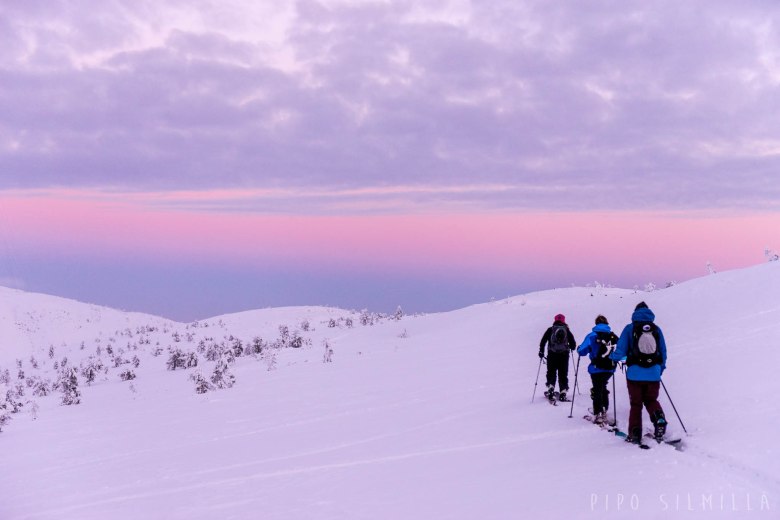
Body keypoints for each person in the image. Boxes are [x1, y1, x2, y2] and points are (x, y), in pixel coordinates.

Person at [611, 302, 668, 443]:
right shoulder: (656, 329)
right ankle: (659, 419)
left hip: (634, 374)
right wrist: (660, 369)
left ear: (635, 313)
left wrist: (613, 358)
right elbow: (663, 351)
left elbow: (620, 350)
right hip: (653, 373)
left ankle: (635, 433)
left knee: (636, 404)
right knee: (651, 400)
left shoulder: (629, 328)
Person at [577, 315, 619, 425]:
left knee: (597, 388)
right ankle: (604, 409)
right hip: (609, 368)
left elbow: (582, 351)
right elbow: (619, 350)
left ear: (596, 323)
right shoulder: (612, 336)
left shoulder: (592, 336)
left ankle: (598, 413)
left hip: (596, 368)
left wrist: (579, 348)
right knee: (602, 386)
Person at [538, 313, 576, 402]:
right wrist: (570, 347)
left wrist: (541, 351)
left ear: (555, 320)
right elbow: (573, 345)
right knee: (563, 373)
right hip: (564, 355)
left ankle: (551, 387)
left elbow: (543, 341)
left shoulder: (550, 330)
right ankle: (563, 392)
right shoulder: (566, 330)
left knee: (551, 372)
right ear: (564, 320)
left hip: (552, 355)